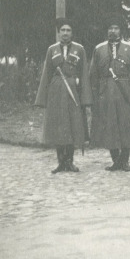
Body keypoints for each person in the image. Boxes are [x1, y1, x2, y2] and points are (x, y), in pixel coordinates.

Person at [35, 18, 92, 173]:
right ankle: (61, 162)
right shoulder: (51, 50)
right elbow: (46, 74)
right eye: (63, 30)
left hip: (73, 92)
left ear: (72, 33)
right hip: (56, 92)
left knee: (73, 125)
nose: (65, 33)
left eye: (68, 30)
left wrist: (85, 98)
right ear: (58, 32)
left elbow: (84, 74)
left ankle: (70, 162)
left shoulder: (79, 49)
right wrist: (42, 98)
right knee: (58, 126)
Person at [90, 14, 130, 171]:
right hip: (105, 92)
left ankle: (124, 160)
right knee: (110, 126)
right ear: (107, 31)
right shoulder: (99, 49)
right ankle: (115, 160)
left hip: (125, 92)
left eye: (116, 28)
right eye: (110, 28)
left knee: (126, 125)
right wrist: (94, 97)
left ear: (121, 31)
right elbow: (93, 74)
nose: (113, 31)